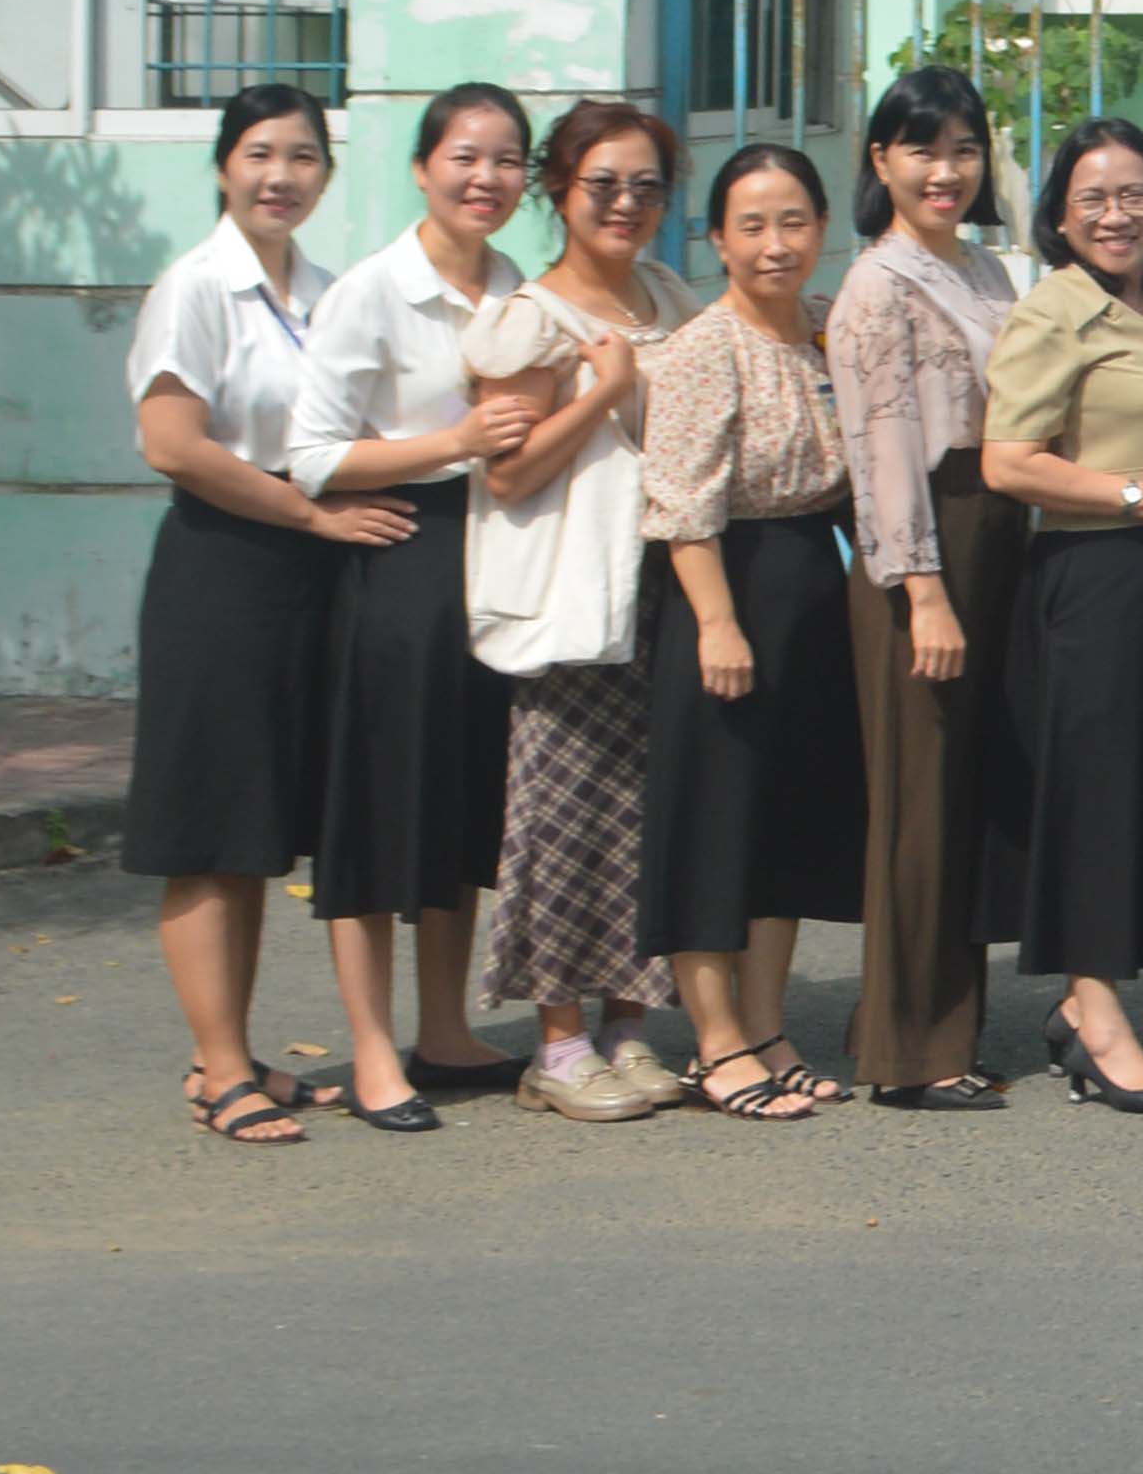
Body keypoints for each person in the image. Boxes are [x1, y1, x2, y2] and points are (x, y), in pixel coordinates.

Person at [126, 83, 397, 1148]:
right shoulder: (195, 287)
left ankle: (227, 1056)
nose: (280, 176)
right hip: (224, 568)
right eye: (258, 154)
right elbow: (172, 444)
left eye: (302, 157)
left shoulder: (329, 293)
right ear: (222, 166)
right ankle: (222, 1070)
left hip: (313, 573)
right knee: (210, 830)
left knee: (261, 825)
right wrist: (308, 514)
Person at [288, 80, 540, 1131]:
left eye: (507, 159)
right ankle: (371, 1053)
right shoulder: (373, 292)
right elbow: (311, 453)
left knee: (456, 802)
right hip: (400, 556)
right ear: (422, 168)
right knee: (375, 814)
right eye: (465, 157)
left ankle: (444, 1030)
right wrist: (452, 444)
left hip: (494, 562)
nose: (486, 178)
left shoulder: (519, 288)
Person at [983, 118, 1143, 1114]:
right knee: (1097, 799)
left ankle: (1081, 1003)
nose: (1115, 214)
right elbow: (1009, 461)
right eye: (1092, 198)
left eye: (1134, 194)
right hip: (1095, 574)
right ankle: (1097, 1019)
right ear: (1060, 214)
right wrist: (1140, 495)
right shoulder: (1056, 309)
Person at [463, 100, 699, 1123]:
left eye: (646, 186)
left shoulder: (671, 296)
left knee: (646, 813)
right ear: (558, 190)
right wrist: (602, 391)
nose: (625, 203)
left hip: (662, 591)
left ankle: (629, 1026)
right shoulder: (532, 318)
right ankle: (557, 1045)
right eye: (603, 183)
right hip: (569, 595)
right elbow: (508, 474)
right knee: (561, 816)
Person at [641, 140, 876, 1119]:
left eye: (793, 222)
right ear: (716, 239)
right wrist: (718, 624)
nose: (775, 243)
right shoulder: (705, 348)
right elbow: (681, 505)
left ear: (822, 228)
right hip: (724, 590)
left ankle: (769, 1025)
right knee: (714, 825)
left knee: (783, 824)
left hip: (811, 593)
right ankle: (717, 1042)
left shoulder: (827, 328)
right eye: (751, 225)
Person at [830, 62, 1023, 1110]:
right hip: (927, 550)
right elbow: (884, 451)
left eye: (963, 149)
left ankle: (931, 1019)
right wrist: (923, 589)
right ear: (882, 160)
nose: (945, 171)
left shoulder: (986, 269)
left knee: (962, 797)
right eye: (922, 150)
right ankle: (909, 1052)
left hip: (995, 532)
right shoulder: (878, 286)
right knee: (918, 801)